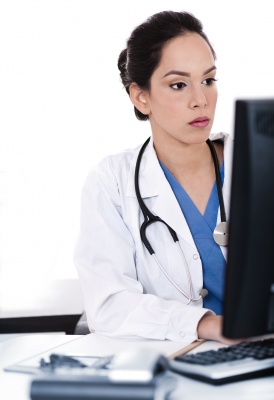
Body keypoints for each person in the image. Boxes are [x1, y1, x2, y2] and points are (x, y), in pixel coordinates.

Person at [74, 11, 235, 344]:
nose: (201, 100)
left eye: (208, 80)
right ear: (140, 96)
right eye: (179, 85)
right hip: (180, 364)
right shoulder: (112, 183)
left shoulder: (256, 162)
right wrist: (203, 324)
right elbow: (108, 305)